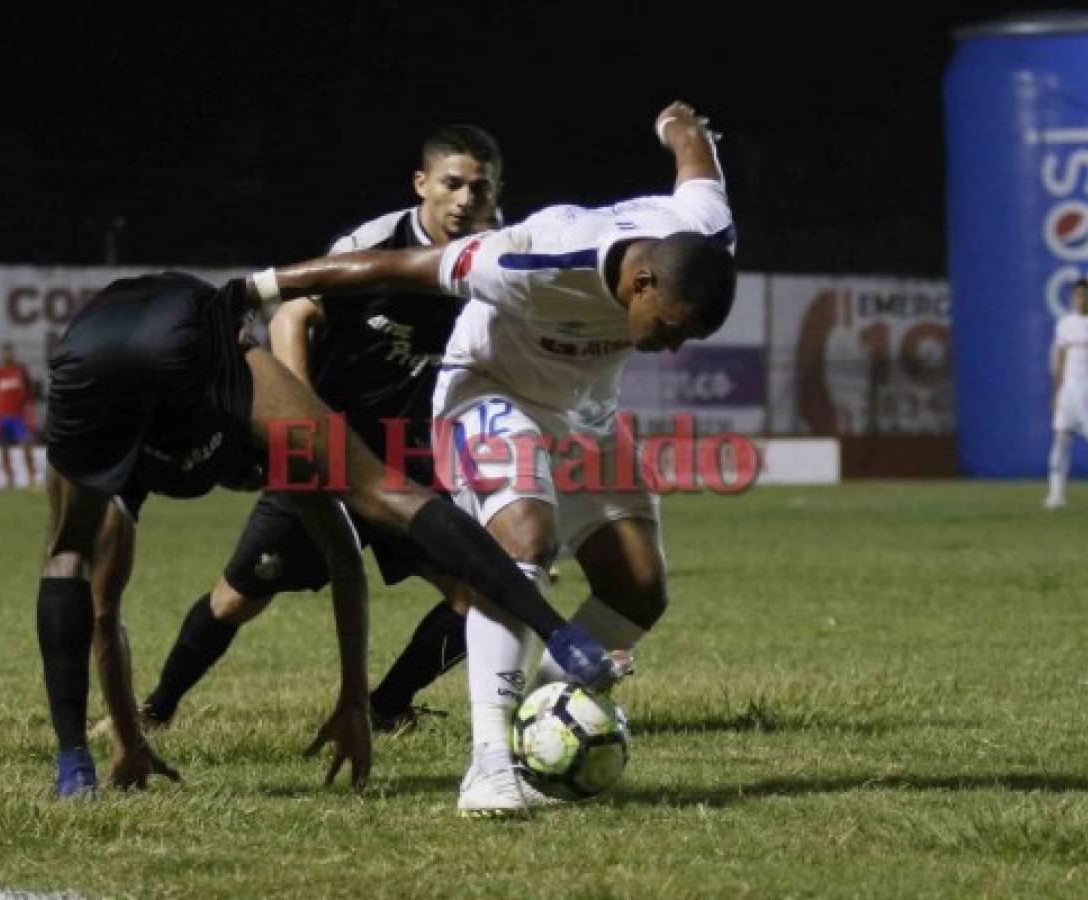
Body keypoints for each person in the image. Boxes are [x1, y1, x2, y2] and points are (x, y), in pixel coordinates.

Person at [251, 100, 736, 816]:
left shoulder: (705, 233)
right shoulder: (533, 257)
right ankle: (488, 766)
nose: (669, 347)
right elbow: (390, 265)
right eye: (667, 329)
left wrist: (678, 128)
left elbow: (696, 160)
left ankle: (540, 716)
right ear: (640, 284)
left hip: (584, 414)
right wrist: (259, 287)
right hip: (486, 391)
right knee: (524, 540)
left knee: (637, 588)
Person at [37, 267, 629, 799]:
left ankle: (74, 765)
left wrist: (127, 740)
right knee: (387, 491)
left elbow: (102, 611)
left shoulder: (137, 464)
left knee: (70, 563)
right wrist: (352, 697)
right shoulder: (264, 421)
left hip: (89, 353)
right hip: (176, 330)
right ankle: (563, 636)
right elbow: (347, 553)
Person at [137, 125, 503, 734]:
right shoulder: (376, 243)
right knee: (237, 598)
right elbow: (294, 313)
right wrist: (305, 421)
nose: (466, 199)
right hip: (328, 452)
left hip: (409, 459)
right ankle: (156, 708)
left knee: (480, 593)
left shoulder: (497, 257)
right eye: (453, 184)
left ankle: (386, 708)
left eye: (480, 188)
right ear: (422, 184)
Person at [1044, 276, 1088, 509]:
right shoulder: (1064, 324)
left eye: (1085, 295)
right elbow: (1060, 358)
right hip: (1069, 389)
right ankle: (1056, 494)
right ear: (1072, 298)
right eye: (1077, 295)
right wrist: (1057, 391)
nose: (1081, 299)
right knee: (1061, 437)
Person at [0, 342, 38, 489]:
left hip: (18, 417)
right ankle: (10, 480)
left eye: (9, 352)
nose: (7, 355)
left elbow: (29, 395)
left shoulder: (21, 371)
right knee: (4, 449)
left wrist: (30, 414)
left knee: (26, 445)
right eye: (4, 352)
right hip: (2, 418)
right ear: (1, 354)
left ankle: (32, 478)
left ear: (14, 353)